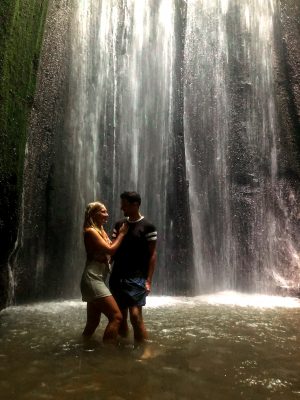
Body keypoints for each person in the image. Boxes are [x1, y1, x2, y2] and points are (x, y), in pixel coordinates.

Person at [109, 191, 157, 345]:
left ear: (135, 205)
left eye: (125, 204)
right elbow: (112, 248)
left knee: (135, 316)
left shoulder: (148, 227)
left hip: (137, 276)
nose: (122, 208)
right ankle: (124, 348)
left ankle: (143, 349)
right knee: (121, 317)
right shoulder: (119, 224)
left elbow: (152, 255)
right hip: (117, 276)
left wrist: (148, 280)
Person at [80, 201, 128, 344]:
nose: (107, 215)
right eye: (103, 211)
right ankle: (107, 354)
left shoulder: (100, 230)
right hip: (92, 279)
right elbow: (110, 250)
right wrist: (122, 234)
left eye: (107, 211)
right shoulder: (90, 231)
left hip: (98, 278)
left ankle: (83, 346)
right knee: (117, 317)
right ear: (93, 214)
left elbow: (111, 254)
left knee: (93, 323)